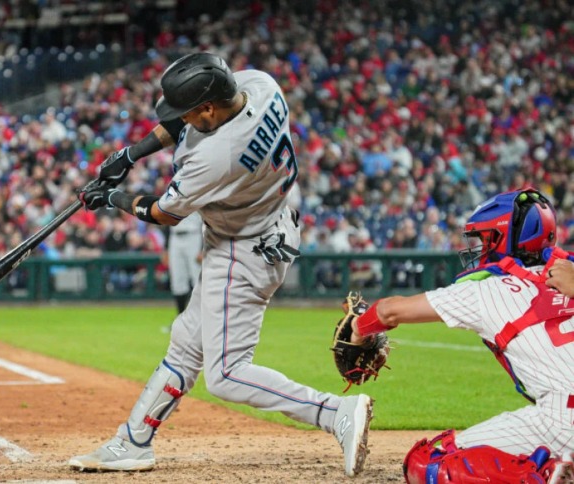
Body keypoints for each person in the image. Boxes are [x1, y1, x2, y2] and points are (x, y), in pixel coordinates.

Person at [69, 52, 373, 477]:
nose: (184, 119)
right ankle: (133, 441)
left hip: (242, 249)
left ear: (209, 107)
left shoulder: (217, 157)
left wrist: (113, 198)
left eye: (191, 112)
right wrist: (131, 155)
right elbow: (185, 121)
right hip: (269, 226)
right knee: (185, 343)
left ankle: (335, 411)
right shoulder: (261, 86)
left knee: (227, 375)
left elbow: (163, 213)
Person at [346, 188, 573, 483]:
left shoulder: (484, 290)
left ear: (503, 239)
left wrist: (356, 329)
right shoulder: (568, 272)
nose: (480, 248)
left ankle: (549, 473)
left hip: (563, 418)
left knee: (425, 463)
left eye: (485, 239)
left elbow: (389, 311)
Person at [167, 211, 203, 313]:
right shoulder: (170, 195)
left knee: (197, 279)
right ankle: (181, 318)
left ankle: (200, 318)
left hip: (194, 235)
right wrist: (166, 246)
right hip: (174, 236)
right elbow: (164, 215)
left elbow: (206, 219)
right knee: (178, 280)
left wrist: (203, 247)